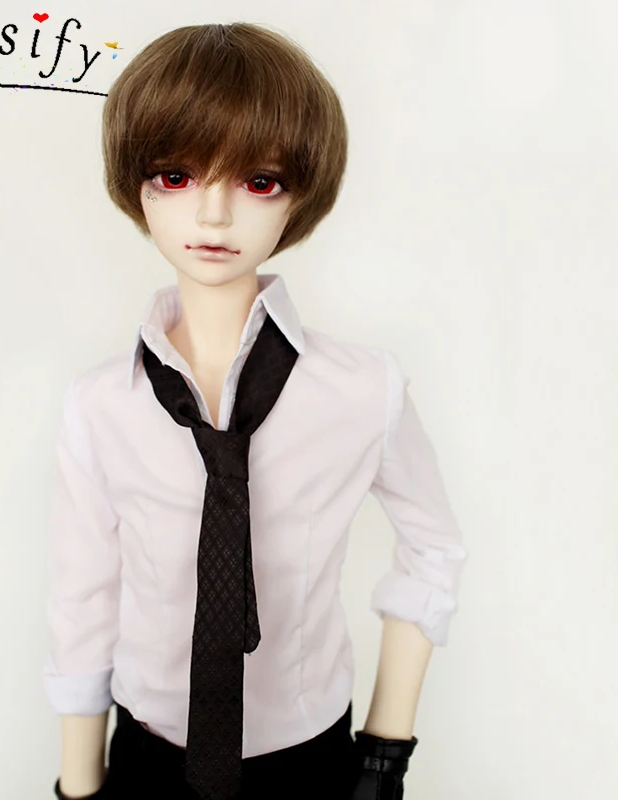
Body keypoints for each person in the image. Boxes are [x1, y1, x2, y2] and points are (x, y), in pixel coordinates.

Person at [43, 21, 468, 800]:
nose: (213, 214)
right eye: (176, 175)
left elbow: (433, 547)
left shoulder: (362, 390)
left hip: (309, 763)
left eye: (258, 181)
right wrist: (79, 786)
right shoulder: (101, 406)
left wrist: (385, 753)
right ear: (135, 183)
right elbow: (84, 597)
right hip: (144, 761)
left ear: (300, 194)